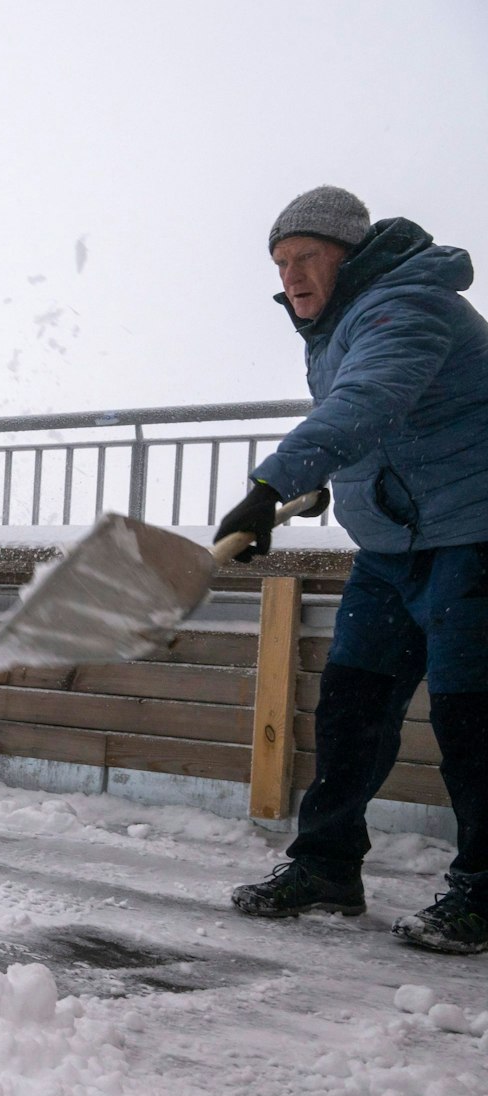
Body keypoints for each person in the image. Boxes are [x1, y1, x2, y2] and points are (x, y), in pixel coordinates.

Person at [222, 186, 488, 955]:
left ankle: (484, 888)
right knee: (351, 707)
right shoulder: (339, 326)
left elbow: (369, 399)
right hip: (395, 548)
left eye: (307, 256)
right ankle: (328, 866)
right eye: (280, 262)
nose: (292, 275)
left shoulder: (406, 305)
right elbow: (386, 430)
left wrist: (268, 484)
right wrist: (315, 488)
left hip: (473, 537)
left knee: (472, 718)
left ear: (350, 254)